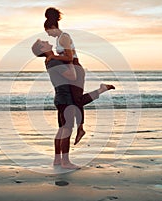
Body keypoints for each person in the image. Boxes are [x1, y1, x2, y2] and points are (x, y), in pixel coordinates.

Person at [31, 39, 114, 169]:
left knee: (61, 130)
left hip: (61, 98)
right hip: (66, 99)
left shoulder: (51, 60)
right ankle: (65, 162)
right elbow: (72, 76)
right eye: (43, 42)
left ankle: (57, 160)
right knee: (67, 130)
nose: (47, 41)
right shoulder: (54, 61)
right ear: (42, 49)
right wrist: (70, 61)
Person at [43, 7, 115, 145]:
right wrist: (53, 58)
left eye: (48, 31)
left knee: (77, 100)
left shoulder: (64, 37)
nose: (48, 35)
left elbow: (70, 57)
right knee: (74, 100)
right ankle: (80, 127)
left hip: (75, 68)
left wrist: (53, 56)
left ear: (52, 27)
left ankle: (101, 91)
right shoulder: (59, 38)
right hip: (71, 68)